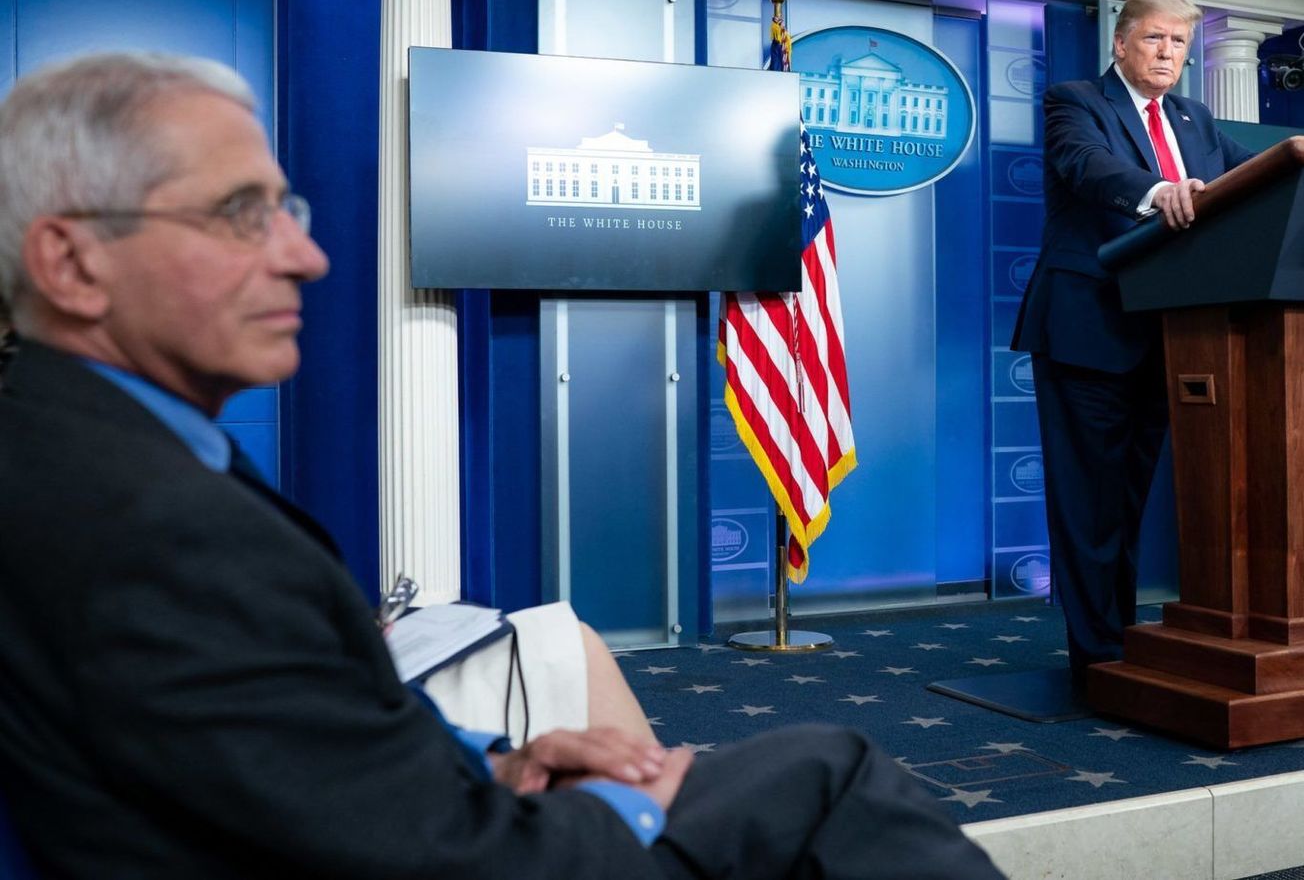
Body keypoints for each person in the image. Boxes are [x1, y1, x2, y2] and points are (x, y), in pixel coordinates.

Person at [0, 52, 1003, 879]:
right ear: (71, 263)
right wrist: (620, 806)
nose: (306, 258)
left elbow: (264, 753)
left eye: (286, 208)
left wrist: (490, 757)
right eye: (238, 214)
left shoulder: (70, 439)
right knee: (827, 775)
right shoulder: (153, 529)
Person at [1011, 0, 1256, 680]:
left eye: (1179, 43)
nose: (1167, 54)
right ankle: (1099, 656)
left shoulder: (1195, 118)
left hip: (1172, 333)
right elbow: (1090, 168)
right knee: (1088, 502)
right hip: (1087, 328)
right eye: (1154, 39)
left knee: (1128, 500)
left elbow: (1259, 170)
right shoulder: (1076, 100)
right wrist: (1159, 192)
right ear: (1120, 44)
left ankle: (1121, 640)